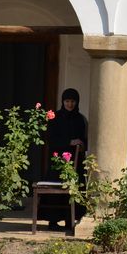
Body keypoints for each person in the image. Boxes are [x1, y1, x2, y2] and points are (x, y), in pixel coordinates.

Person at [42, 88, 88, 230]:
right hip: (58, 161)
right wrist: (69, 142)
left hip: (75, 161)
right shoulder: (55, 118)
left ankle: (71, 220)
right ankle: (53, 221)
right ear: (63, 101)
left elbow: (85, 139)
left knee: (74, 189)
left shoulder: (80, 119)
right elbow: (51, 139)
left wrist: (82, 145)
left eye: (73, 101)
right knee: (56, 188)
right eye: (67, 101)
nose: (70, 104)